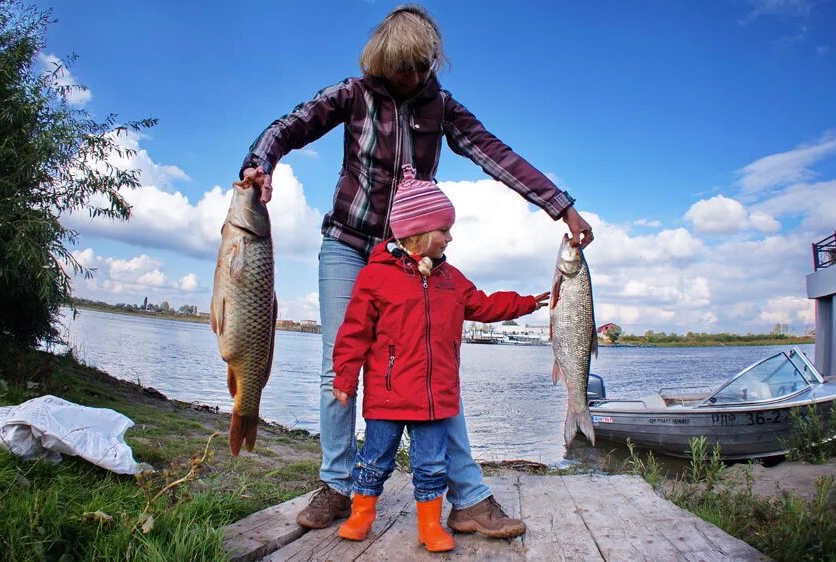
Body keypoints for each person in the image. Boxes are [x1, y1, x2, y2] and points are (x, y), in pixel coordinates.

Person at [236, 4, 594, 537]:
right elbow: (291, 126)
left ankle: (468, 499)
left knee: (432, 367)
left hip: (411, 257)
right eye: (407, 68)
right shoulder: (352, 94)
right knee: (338, 363)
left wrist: (558, 204)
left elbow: (497, 154)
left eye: (426, 66)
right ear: (383, 62)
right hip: (347, 246)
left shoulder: (441, 107)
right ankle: (337, 484)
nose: (417, 77)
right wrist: (259, 163)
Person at [330, 167, 550, 551]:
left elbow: (485, 304)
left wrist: (529, 302)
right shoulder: (375, 277)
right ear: (415, 233)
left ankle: (430, 525)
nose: (450, 237)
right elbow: (354, 333)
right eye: (443, 230)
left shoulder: (452, 279)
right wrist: (344, 379)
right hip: (387, 398)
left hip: (436, 400)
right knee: (374, 460)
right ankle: (361, 515)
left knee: (432, 466)